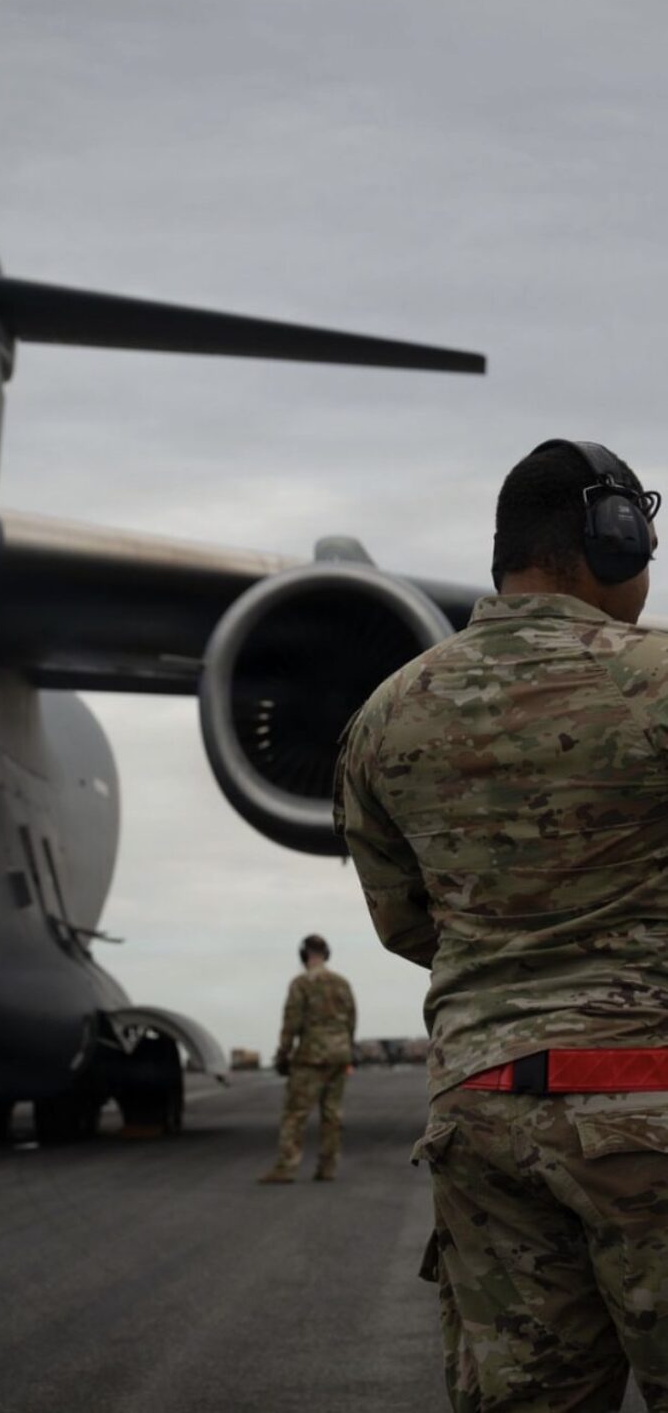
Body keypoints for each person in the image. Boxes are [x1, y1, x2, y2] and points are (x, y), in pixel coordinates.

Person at [336, 438, 668, 1411]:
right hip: (646, 1095)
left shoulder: (386, 714)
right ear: (607, 541)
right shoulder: (653, 680)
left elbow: (406, 923)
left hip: (481, 1107)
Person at [258, 934, 356, 1184]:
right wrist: (347, 1050)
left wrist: (283, 1053)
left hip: (311, 1056)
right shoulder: (342, 983)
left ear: (304, 955)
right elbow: (352, 1019)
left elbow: (291, 1022)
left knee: (295, 1113)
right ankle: (328, 1167)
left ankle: (287, 1167)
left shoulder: (301, 983)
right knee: (332, 1113)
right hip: (339, 1054)